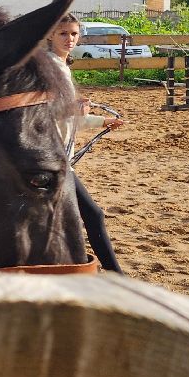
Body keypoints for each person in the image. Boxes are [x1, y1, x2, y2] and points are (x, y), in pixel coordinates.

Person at [46, 14, 124, 274]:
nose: (70, 39)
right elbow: (43, 113)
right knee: (92, 215)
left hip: (57, 155)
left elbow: (67, 115)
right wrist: (74, 108)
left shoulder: (61, 66)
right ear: (50, 35)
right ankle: (117, 277)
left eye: (73, 34)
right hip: (51, 154)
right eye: (63, 34)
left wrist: (101, 121)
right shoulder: (50, 68)